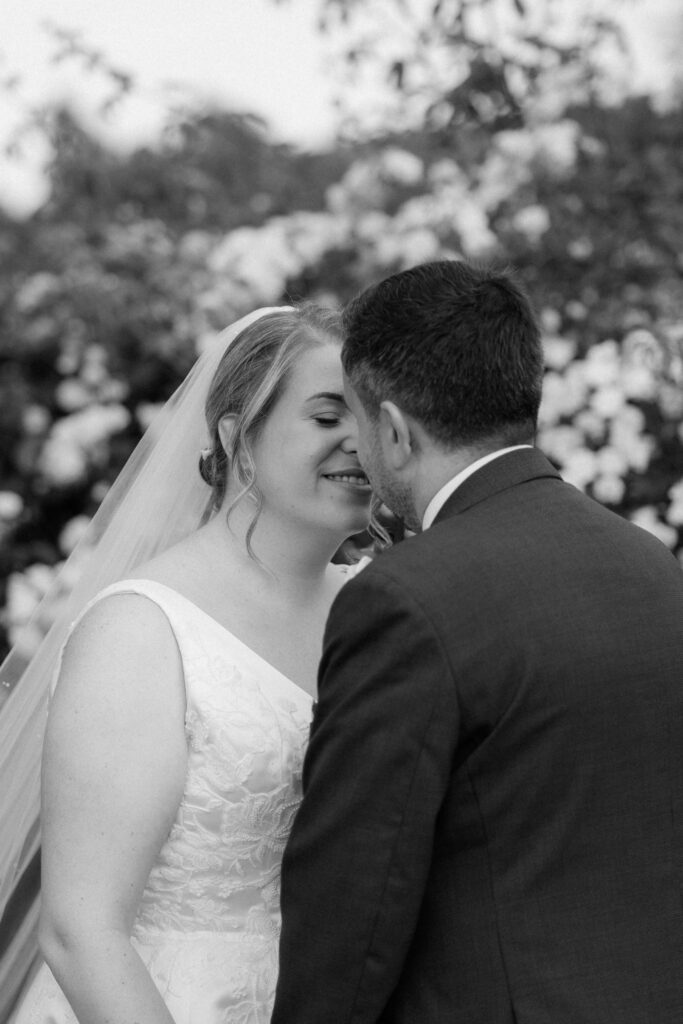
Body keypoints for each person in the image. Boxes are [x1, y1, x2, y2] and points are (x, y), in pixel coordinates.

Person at [272, 260, 683, 1024]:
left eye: (356, 423)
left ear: (391, 429)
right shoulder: (647, 561)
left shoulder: (404, 598)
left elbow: (354, 903)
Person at [4, 303, 372, 1024]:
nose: (358, 444)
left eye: (370, 419)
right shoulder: (141, 630)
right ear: (238, 435)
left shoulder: (378, 608)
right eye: (327, 417)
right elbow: (80, 931)